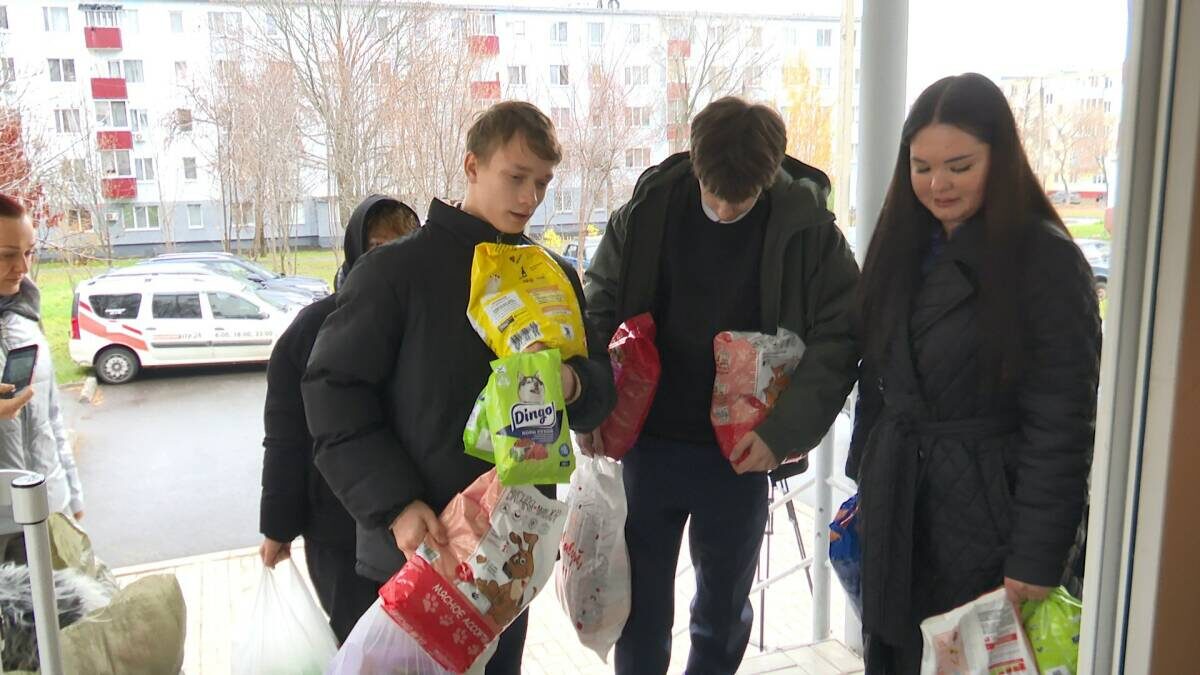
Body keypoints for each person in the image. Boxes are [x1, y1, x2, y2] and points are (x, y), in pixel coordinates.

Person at [302, 101, 616, 672]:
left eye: (542, 183)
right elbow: (333, 393)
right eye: (515, 177)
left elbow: (599, 393)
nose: (530, 198)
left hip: (507, 553)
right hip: (418, 546)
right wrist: (394, 504)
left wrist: (572, 382)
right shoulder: (395, 272)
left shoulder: (554, 275)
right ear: (472, 166)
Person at [581, 97, 860, 674]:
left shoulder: (809, 230)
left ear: (773, 172)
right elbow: (600, 304)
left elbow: (842, 337)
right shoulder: (649, 208)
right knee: (641, 606)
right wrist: (593, 407)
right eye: (716, 196)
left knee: (724, 608)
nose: (729, 209)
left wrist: (783, 434)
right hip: (648, 444)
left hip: (742, 454)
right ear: (695, 161)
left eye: (746, 199)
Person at [849, 73, 1101, 674]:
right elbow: (878, 379)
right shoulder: (901, 242)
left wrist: (1037, 558)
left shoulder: (1044, 260)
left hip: (990, 519)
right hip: (899, 502)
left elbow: (1062, 421)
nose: (938, 185)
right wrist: (864, 476)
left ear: (1001, 158)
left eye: (960, 166)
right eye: (922, 166)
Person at [258, 195, 419, 643]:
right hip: (337, 531)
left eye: (401, 245)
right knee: (357, 643)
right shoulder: (312, 328)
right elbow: (286, 437)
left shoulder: (427, 321)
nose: (385, 259)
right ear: (354, 249)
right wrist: (277, 526)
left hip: (415, 525)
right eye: (376, 246)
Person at [0, 193, 85, 521]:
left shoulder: (26, 320)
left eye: (28, 252)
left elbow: (52, 417)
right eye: (7, 255)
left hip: (49, 508)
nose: (22, 268)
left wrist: (72, 495)